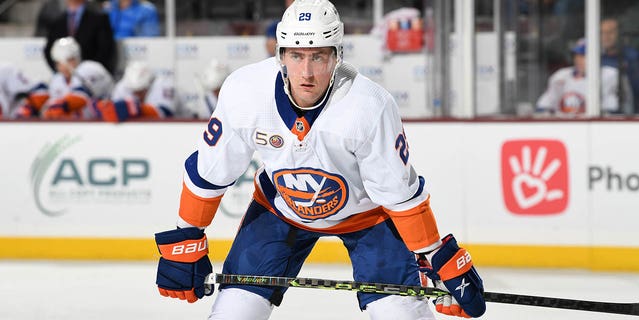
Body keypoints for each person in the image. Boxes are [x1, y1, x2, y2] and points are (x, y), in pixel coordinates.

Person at [154, 1, 486, 319]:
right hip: (280, 211)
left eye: (319, 57)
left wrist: (436, 256)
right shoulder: (245, 92)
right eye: (296, 56)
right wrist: (187, 234)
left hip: (369, 218)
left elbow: (399, 194)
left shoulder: (368, 106)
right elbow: (211, 170)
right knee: (234, 312)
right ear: (280, 55)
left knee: (398, 314)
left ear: (337, 57)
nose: (307, 72)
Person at [536, 38, 633, 115]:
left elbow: (614, 111)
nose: (579, 60)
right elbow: (543, 107)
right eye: (577, 56)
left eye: (584, 56)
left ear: (598, 57)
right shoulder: (561, 76)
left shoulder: (610, 75)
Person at [41, 37, 114, 120]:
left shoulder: (89, 68)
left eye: (69, 60)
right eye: (59, 63)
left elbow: (80, 98)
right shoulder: (57, 80)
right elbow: (49, 109)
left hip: (106, 122)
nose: (64, 66)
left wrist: (61, 106)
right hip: (79, 126)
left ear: (77, 57)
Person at [44, 0, 117, 75]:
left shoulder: (99, 19)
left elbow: (105, 50)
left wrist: (87, 71)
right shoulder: (57, 22)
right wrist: (62, 71)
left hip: (91, 78)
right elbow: (49, 50)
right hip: (65, 79)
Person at [94, 61, 176, 122]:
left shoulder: (163, 84)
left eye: (140, 90)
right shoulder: (123, 86)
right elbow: (114, 109)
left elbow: (166, 114)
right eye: (133, 91)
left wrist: (137, 108)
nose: (136, 94)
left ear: (149, 84)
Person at [600, 17, 639, 114]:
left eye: (611, 32)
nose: (606, 36)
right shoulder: (594, 58)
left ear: (619, 34)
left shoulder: (632, 57)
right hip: (601, 113)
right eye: (602, 32)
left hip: (627, 115)